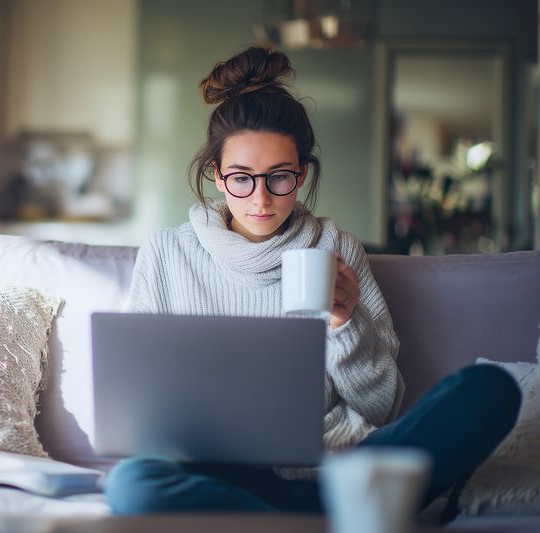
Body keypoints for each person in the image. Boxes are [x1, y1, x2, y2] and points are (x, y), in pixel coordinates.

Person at [104, 46, 521, 516]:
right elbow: (141, 403)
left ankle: (287, 520)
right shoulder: (168, 253)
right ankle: (317, 522)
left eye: (279, 176)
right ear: (217, 177)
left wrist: (345, 324)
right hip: (213, 471)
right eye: (241, 178)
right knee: (134, 483)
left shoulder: (335, 248)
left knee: (489, 389)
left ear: (301, 174)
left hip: (338, 468)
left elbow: (381, 406)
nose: (261, 198)